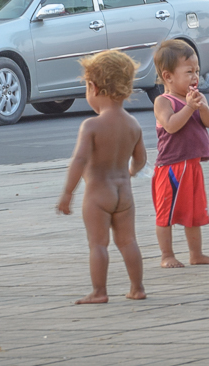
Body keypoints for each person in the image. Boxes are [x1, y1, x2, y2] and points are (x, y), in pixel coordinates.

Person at [57, 50, 147, 304]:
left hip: (98, 194)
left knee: (98, 244)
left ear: (93, 88)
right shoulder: (133, 125)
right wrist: (131, 172)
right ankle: (137, 288)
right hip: (124, 193)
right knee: (128, 241)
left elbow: (80, 160)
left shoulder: (92, 126)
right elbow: (140, 159)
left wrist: (68, 193)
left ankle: (99, 291)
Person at [151, 40, 209, 268]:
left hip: (193, 165)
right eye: (188, 71)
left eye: (197, 71)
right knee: (166, 213)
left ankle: (196, 254)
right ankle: (167, 255)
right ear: (168, 76)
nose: (194, 77)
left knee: (194, 213)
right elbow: (170, 126)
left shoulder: (197, 99)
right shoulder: (163, 102)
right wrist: (189, 108)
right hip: (171, 167)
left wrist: (203, 107)